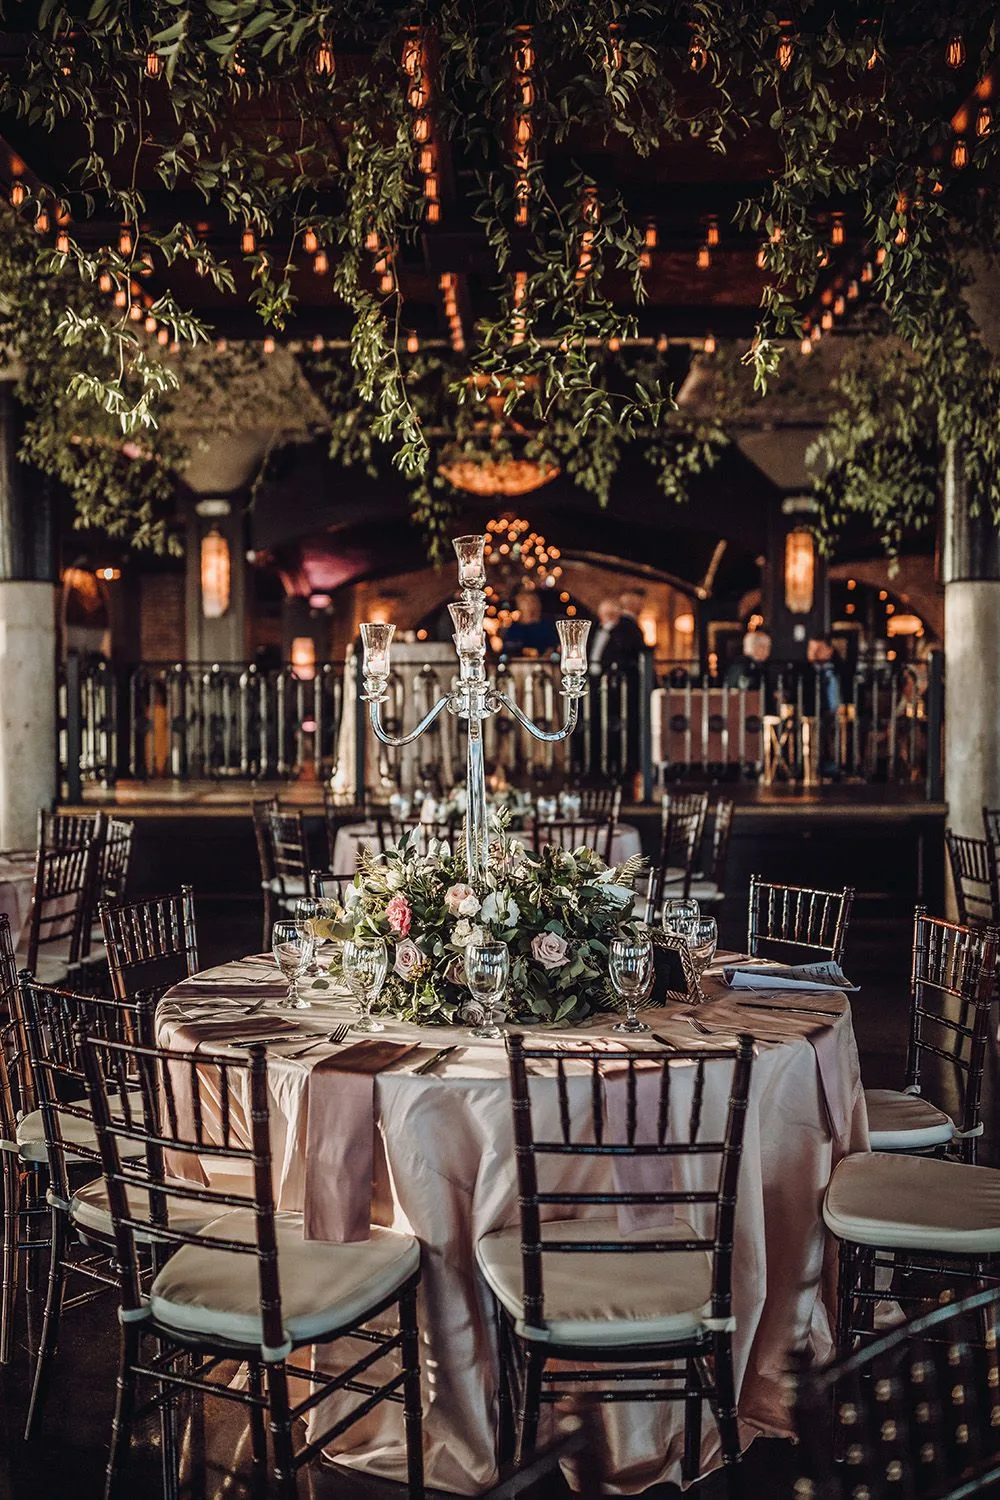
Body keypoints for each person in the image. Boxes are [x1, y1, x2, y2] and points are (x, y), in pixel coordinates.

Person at [500, 589, 559, 657]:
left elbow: (555, 645)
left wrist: (551, 650)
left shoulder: (547, 626)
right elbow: (508, 648)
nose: (530, 605)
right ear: (520, 605)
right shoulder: (514, 628)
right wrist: (523, 651)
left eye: (533, 601)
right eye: (526, 602)